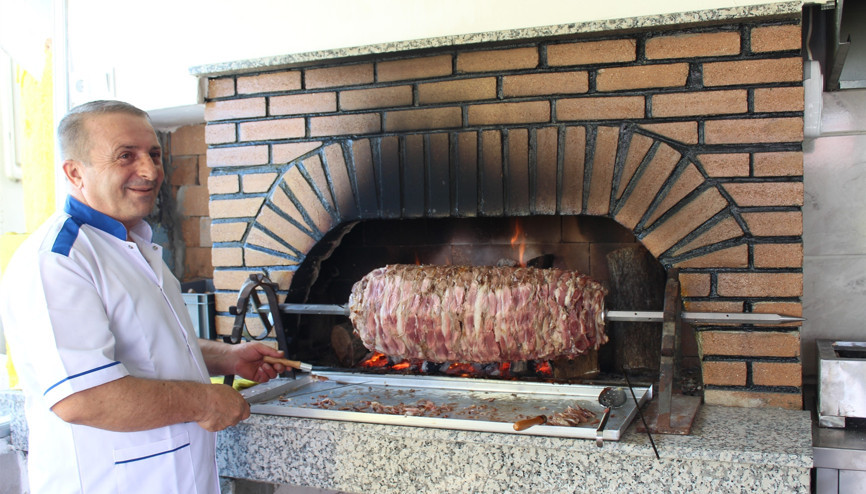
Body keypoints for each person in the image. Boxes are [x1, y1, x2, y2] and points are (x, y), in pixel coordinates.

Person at [0, 100, 288, 493]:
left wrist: (227, 357)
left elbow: (147, 344)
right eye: (126, 156)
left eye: (153, 154)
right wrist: (205, 402)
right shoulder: (58, 261)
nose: (151, 171)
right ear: (75, 172)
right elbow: (83, 398)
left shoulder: (133, 242)